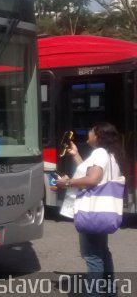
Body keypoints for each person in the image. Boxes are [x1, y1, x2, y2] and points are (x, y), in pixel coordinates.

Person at [55, 122, 123, 296]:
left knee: (92, 255)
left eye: (91, 130)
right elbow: (91, 173)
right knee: (102, 252)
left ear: (98, 136)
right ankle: (109, 291)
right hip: (102, 212)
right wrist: (76, 155)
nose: (88, 132)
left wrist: (66, 182)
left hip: (92, 212)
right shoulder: (109, 155)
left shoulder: (98, 153)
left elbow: (92, 179)